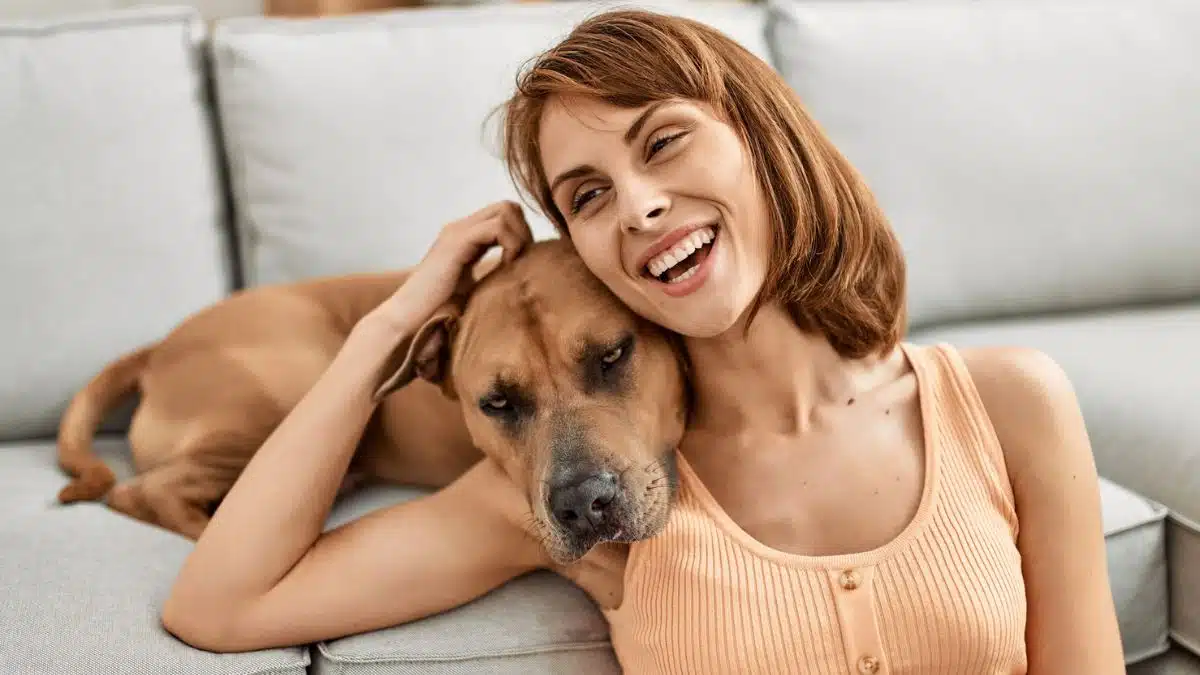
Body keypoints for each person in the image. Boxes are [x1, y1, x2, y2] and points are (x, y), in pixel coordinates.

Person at [161, 8, 1125, 674]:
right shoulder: (548, 498)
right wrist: (391, 326)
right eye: (586, 194)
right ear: (575, 244)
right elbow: (219, 607)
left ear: (761, 137)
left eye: (663, 141)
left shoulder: (1007, 404)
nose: (642, 203)